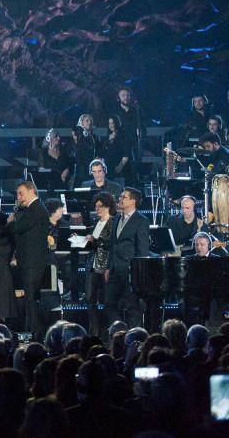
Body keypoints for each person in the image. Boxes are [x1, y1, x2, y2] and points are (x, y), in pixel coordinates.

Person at [8, 180, 50, 338]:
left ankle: (35, 332)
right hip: (29, 261)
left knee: (31, 298)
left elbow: (18, 228)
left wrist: (10, 222)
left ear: (32, 191)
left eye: (21, 193)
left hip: (33, 262)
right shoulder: (31, 209)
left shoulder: (36, 209)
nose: (19, 197)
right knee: (30, 298)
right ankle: (33, 330)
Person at [104, 188, 151, 328]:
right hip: (114, 270)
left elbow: (142, 249)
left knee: (133, 308)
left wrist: (139, 273)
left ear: (133, 201)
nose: (120, 199)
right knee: (109, 304)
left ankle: (133, 339)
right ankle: (118, 333)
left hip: (130, 271)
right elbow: (113, 244)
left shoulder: (141, 220)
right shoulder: (117, 218)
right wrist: (108, 266)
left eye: (124, 197)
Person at [84, 193, 116, 339]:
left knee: (106, 300)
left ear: (108, 206)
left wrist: (97, 240)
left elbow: (111, 243)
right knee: (90, 299)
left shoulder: (113, 222)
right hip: (93, 264)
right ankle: (94, 332)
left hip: (105, 265)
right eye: (96, 206)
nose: (97, 209)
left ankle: (106, 332)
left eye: (100, 206)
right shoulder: (97, 222)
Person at [72, 114, 98, 187]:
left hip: (91, 167)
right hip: (81, 168)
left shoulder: (93, 137)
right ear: (81, 122)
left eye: (90, 121)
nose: (89, 122)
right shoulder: (78, 135)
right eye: (87, 121)